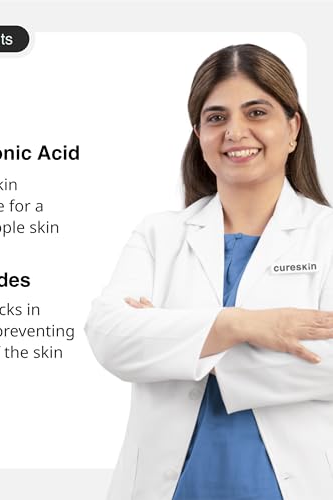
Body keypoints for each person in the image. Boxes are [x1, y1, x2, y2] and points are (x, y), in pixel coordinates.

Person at [84, 44, 333, 500]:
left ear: (293, 127)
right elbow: (109, 336)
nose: (235, 132)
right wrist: (241, 326)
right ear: (199, 134)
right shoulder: (159, 234)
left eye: (256, 112)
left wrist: (177, 344)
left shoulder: (326, 236)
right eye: (216, 117)